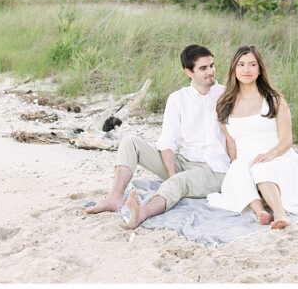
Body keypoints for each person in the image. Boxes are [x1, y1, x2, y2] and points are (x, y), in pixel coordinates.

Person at [85, 44, 230, 229]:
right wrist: (171, 175)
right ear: (188, 72)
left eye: (212, 65)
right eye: (203, 68)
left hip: (215, 168)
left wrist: (175, 180)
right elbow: (168, 141)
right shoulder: (178, 98)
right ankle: (115, 197)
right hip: (185, 160)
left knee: (179, 181)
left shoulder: (226, 94)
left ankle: (141, 213)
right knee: (130, 142)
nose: (211, 71)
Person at [206, 45, 298, 228]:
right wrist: (236, 166)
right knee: (238, 168)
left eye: (252, 64)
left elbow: (287, 140)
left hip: (279, 158)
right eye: (241, 64)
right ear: (234, 68)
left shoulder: (274, 99)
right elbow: (231, 143)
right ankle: (261, 212)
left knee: (260, 168)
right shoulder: (225, 103)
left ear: (259, 69)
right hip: (246, 161)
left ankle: (280, 214)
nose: (246, 69)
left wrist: (271, 154)